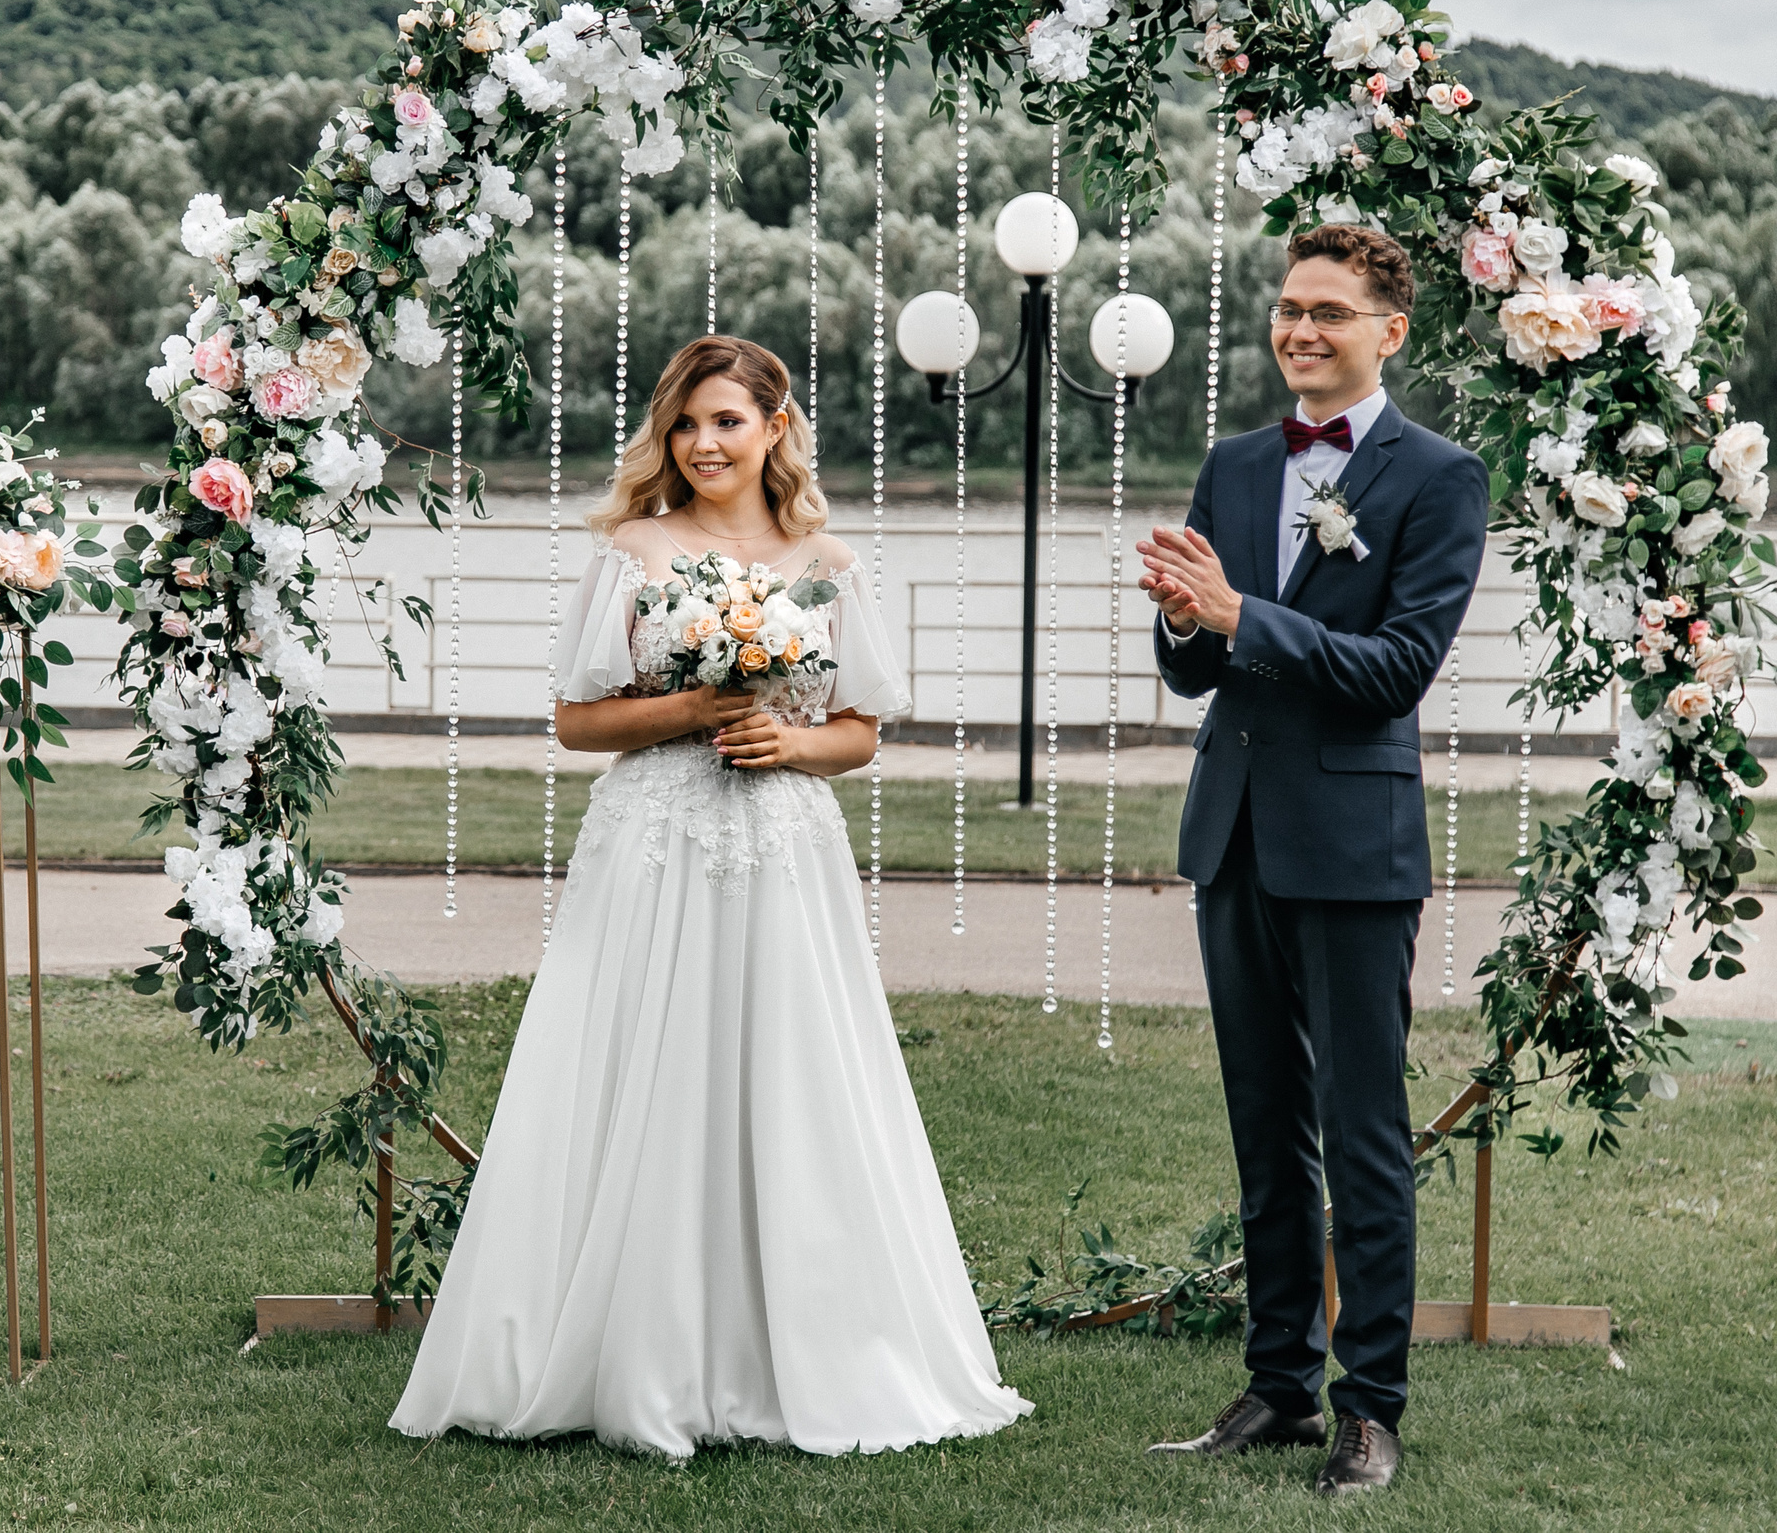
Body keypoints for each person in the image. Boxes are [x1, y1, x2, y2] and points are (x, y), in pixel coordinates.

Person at [390, 336, 1028, 1459]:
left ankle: (798, 1347)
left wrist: (786, 739)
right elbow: (578, 722)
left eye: (726, 422)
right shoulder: (634, 548)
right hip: (655, 844)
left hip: (781, 844)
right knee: (636, 1062)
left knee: (789, 1072)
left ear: (775, 428)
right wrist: (693, 710)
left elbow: (862, 734)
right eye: (685, 425)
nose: (702, 444)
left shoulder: (825, 559)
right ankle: (612, 1349)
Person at [1134, 225, 1488, 1495]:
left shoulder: (1439, 477)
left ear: (1389, 331)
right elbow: (1192, 671)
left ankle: (1369, 1408)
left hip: (1352, 844)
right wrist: (1184, 619)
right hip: (1230, 832)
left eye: (1328, 312)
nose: (1300, 330)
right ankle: (1277, 1384)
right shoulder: (1233, 462)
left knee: (1361, 1129)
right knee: (1262, 1124)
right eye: (1288, 309)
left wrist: (1241, 615)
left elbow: (1396, 671)